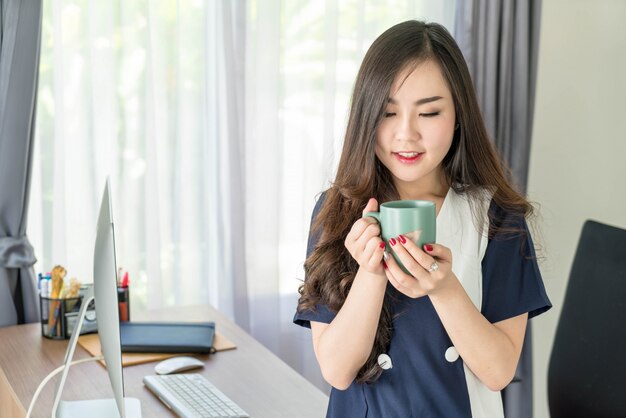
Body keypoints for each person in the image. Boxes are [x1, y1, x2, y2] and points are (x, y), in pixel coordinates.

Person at [293, 20, 551, 418]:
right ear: (365, 118)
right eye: (388, 113)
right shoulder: (338, 212)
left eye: (429, 112)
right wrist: (371, 273)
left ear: (458, 115)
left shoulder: (496, 216)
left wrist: (444, 288)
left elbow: (499, 371)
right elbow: (337, 371)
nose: (406, 134)